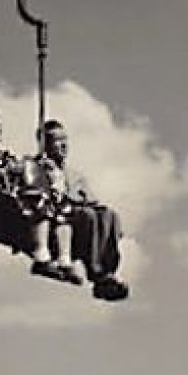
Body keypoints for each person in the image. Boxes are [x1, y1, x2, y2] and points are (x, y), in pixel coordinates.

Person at [0, 107, 80, 283]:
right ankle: (41, 255)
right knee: (37, 199)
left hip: (16, 200)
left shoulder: (5, 155)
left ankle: (64, 261)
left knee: (61, 205)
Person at [29, 119, 130, 301]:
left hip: (79, 209)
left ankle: (108, 272)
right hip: (60, 214)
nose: (63, 145)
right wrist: (46, 175)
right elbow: (36, 192)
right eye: (56, 140)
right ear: (45, 144)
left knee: (109, 215)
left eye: (65, 139)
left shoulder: (75, 176)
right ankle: (97, 271)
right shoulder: (36, 167)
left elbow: (91, 199)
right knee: (88, 215)